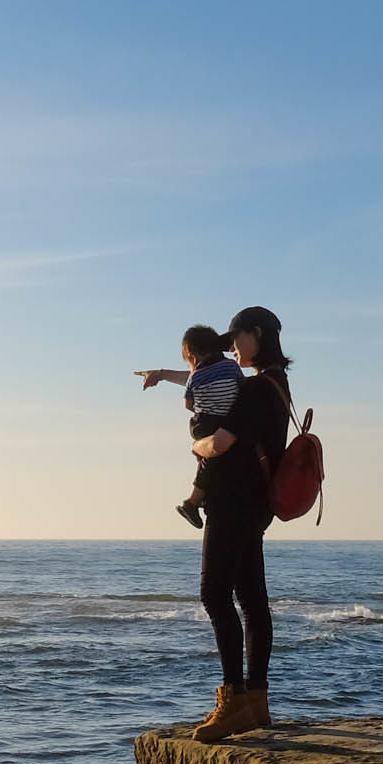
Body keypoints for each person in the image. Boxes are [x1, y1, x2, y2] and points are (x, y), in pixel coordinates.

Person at [177, 305, 292, 741]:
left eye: (238, 338)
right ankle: (256, 704)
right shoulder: (277, 383)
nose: (234, 348)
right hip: (255, 504)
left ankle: (232, 699)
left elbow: (221, 443)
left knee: (214, 593)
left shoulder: (257, 390)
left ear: (257, 334)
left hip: (233, 502)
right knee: (252, 599)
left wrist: (198, 448)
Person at [135, 325, 242, 529]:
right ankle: (195, 500)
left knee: (209, 459)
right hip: (222, 420)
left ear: (192, 356)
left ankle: (192, 502)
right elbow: (240, 386)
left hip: (202, 422)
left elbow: (188, 404)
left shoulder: (196, 377)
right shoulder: (232, 367)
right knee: (211, 460)